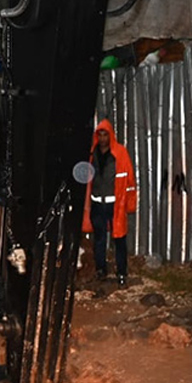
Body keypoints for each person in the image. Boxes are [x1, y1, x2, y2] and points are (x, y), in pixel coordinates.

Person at [82, 119, 137, 286]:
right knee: (99, 239)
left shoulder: (120, 153)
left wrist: (129, 203)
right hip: (97, 203)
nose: (103, 137)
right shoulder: (92, 153)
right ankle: (101, 271)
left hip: (115, 204)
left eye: (105, 134)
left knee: (119, 239)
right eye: (100, 134)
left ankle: (122, 273)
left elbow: (129, 180)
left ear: (110, 134)